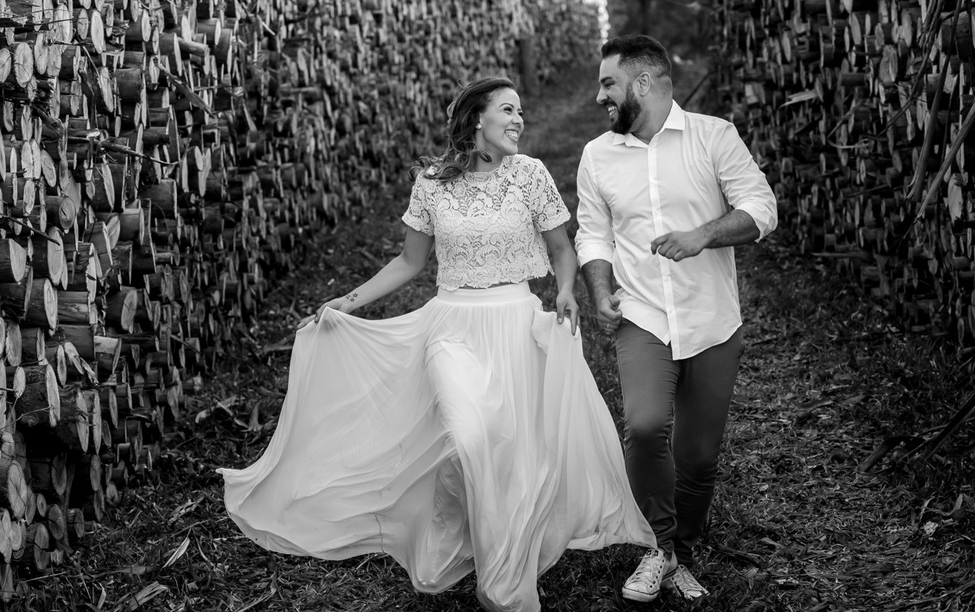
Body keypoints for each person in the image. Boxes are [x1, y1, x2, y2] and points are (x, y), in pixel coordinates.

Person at [219, 76, 654, 612]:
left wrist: (565, 290)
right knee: (470, 437)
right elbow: (409, 262)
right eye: (508, 110)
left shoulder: (531, 175)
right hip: (451, 328)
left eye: (521, 113)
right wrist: (345, 302)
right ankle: (488, 573)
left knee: (507, 450)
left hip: (516, 325)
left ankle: (493, 556)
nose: (519, 120)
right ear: (477, 119)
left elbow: (561, 248)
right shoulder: (431, 182)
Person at [575, 35, 778, 603]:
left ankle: (682, 550)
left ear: (642, 83)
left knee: (698, 455)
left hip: (712, 318)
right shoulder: (598, 155)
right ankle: (658, 547)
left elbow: (763, 209)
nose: (599, 97)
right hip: (642, 315)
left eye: (608, 83)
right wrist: (599, 289)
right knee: (643, 426)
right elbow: (592, 232)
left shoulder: (714, 137)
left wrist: (704, 235)